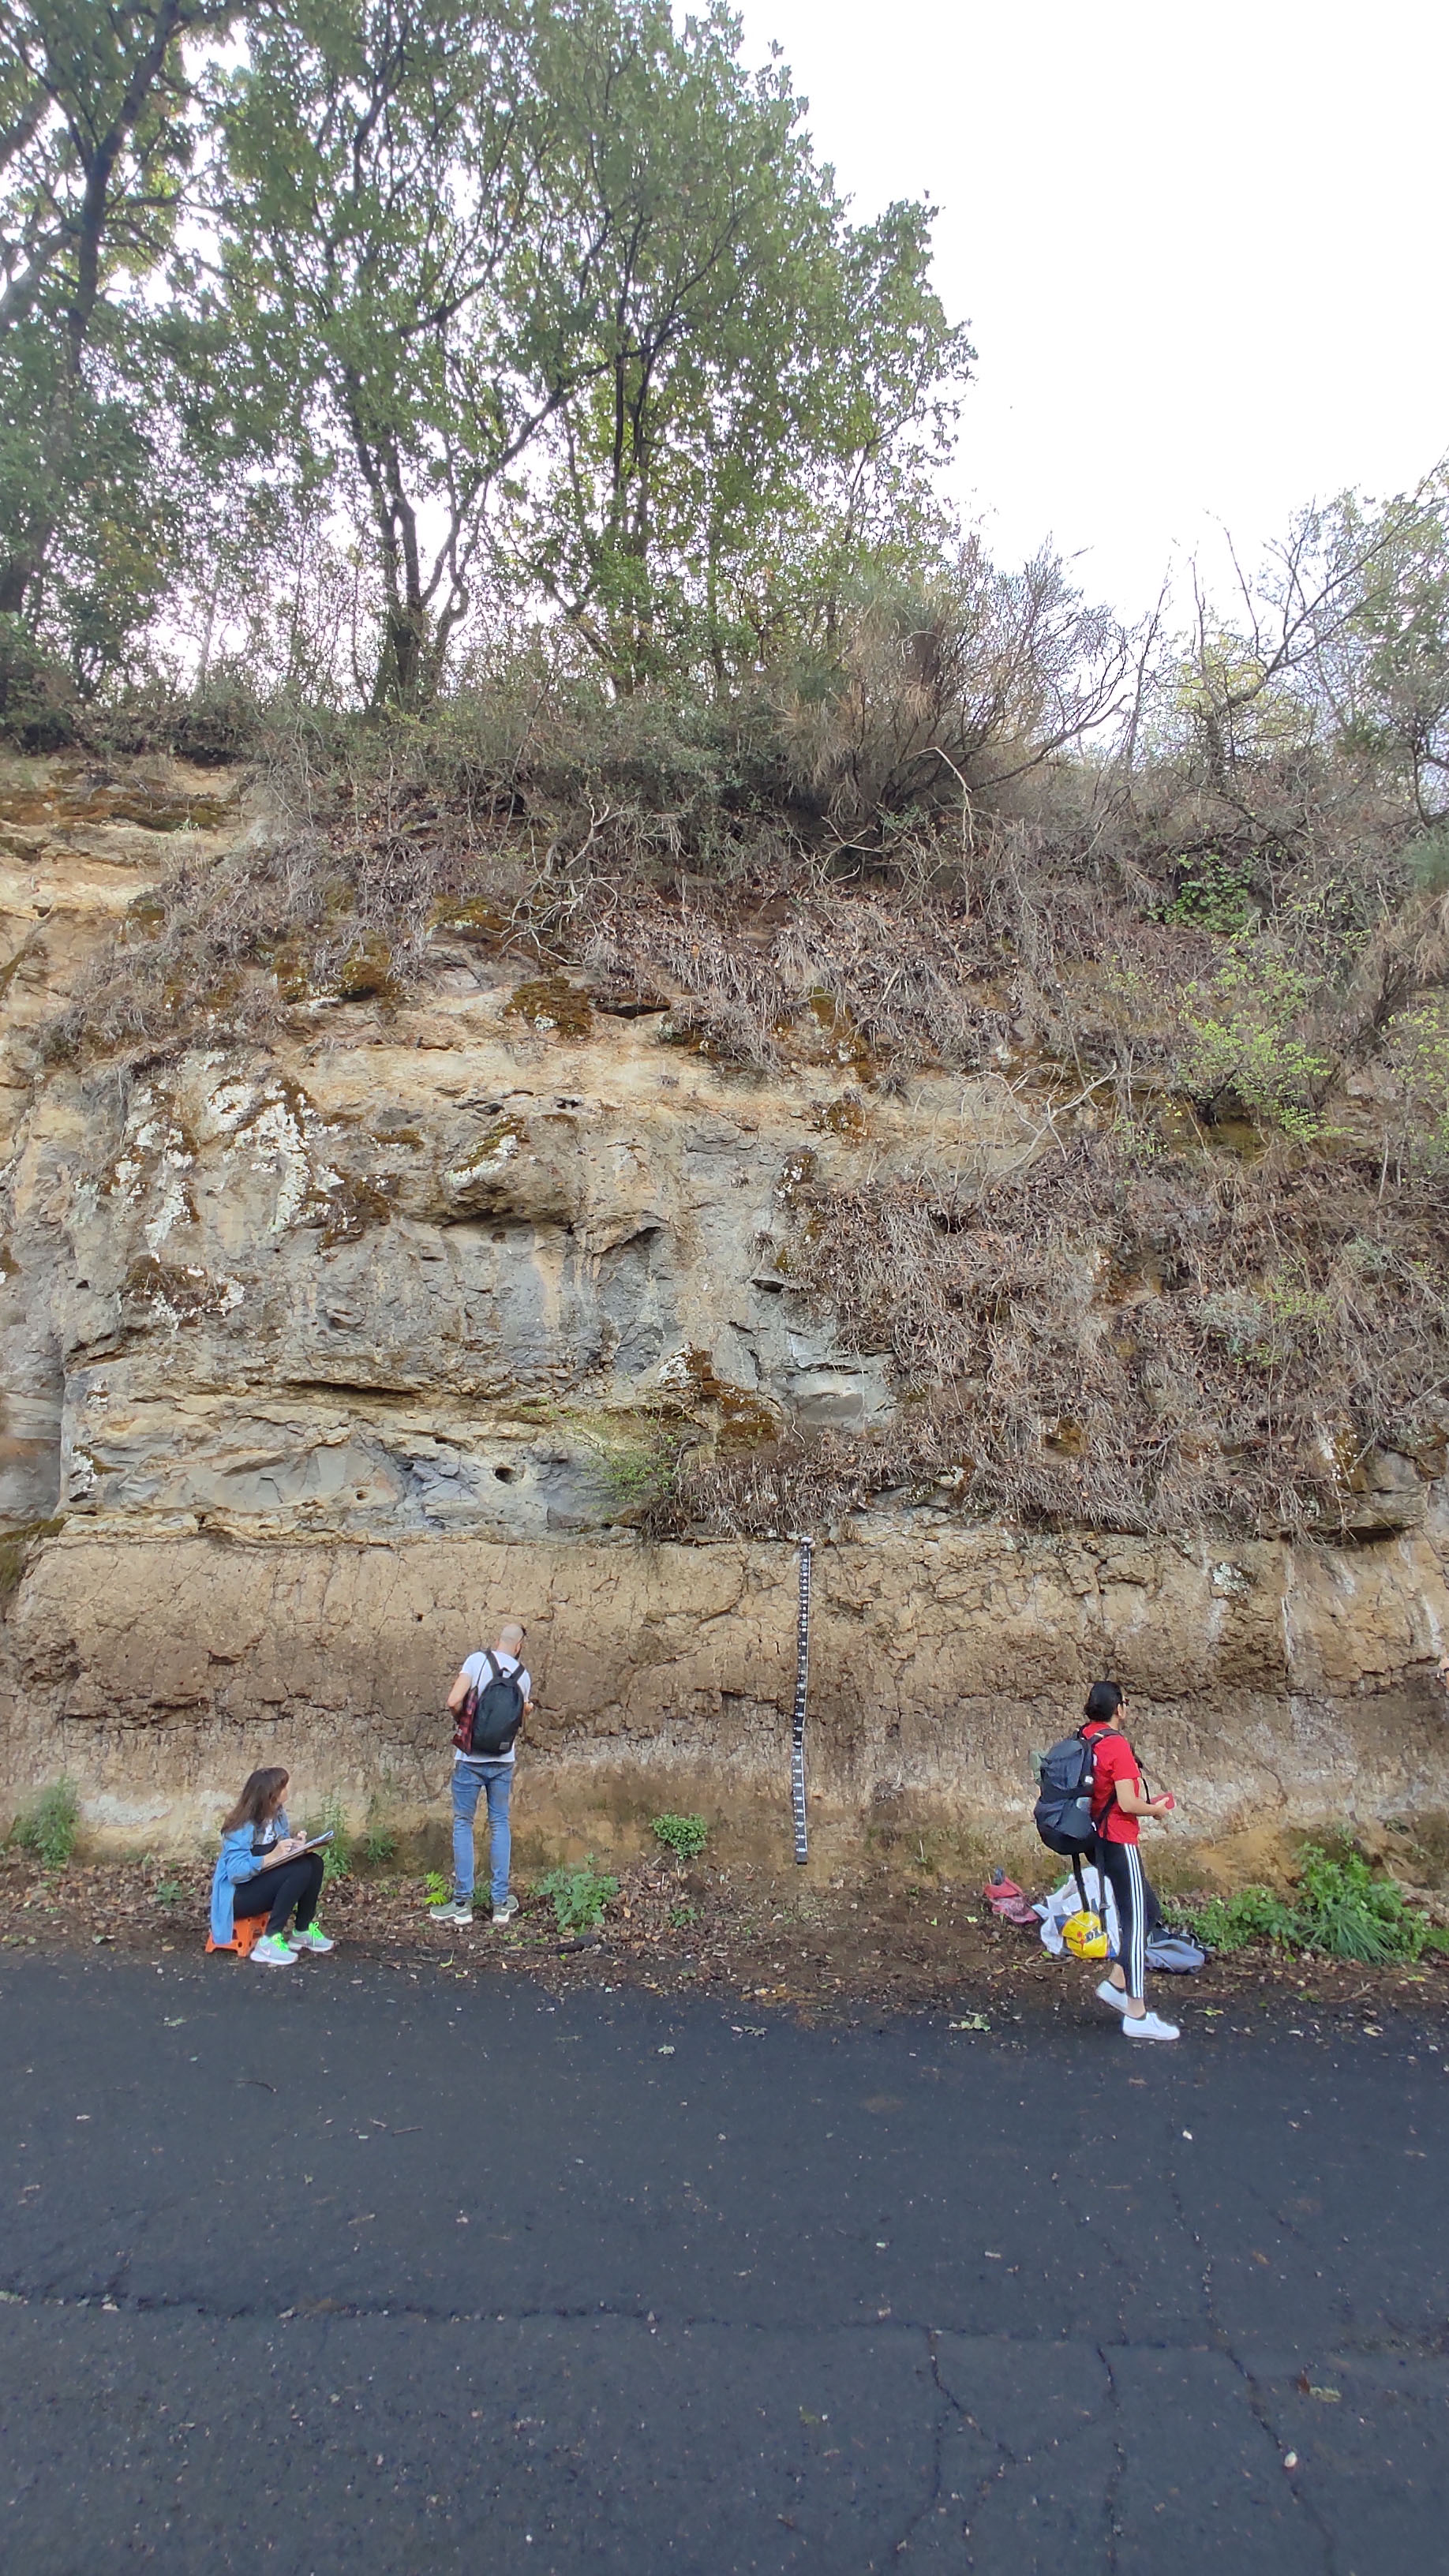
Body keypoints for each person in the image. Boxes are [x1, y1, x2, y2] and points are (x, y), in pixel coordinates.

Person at [1080, 1681, 1178, 2041]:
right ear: (1119, 1708)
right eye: (1126, 1704)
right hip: (1120, 1840)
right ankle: (1136, 2013)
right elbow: (1127, 1802)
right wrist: (1157, 1810)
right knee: (1136, 1921)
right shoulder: (1116, 1745)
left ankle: (1115, 1984)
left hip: (1096, 1840)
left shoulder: (1087, 1737)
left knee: (1148, 1910)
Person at [429, 1622, 534, 1930]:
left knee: (464, 1823)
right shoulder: (523, 1675)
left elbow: (453, 1700)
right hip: (503, 1760)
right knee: (500, 1823)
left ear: (498, 1640)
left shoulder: (477, 1661)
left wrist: (462, 1720)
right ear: (519, 1646)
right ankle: (501, 1903)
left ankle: (463, 1904)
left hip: (470, 1758)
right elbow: (519, 1718)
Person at [208, 1766, 333, 1967]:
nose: (288, 1789)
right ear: (271, 1794)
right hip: (237, 1897)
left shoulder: (278, 1815)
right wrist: (272, 1855)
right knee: (299, 1870)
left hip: (260, 1883)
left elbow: (281, 1848)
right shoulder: (243, 1825)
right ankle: (269, 1941)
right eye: (283, 1786)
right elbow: (236, 1872)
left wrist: (295, 1846)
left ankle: (302, 1931)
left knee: (313, 1863)